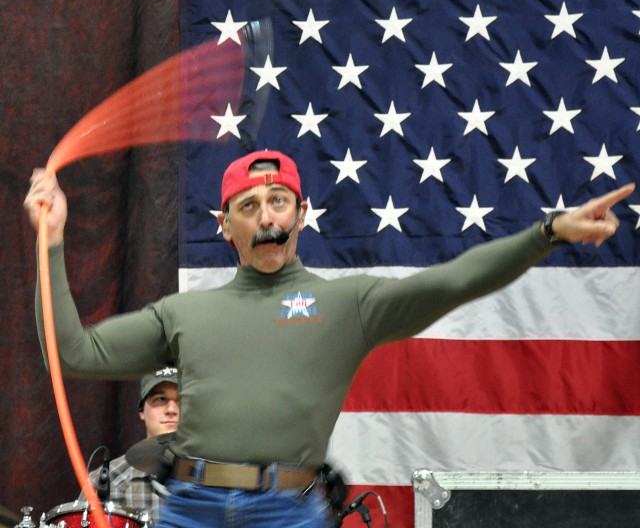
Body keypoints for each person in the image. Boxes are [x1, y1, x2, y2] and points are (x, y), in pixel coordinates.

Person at [24, 149, 635, 528]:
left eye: (279, 201)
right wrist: (51, 246)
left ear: (301, 212)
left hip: (288, 513)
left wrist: (548, 232)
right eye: (249, 205)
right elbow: (71, 353)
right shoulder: (183, 313)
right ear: (224, 224)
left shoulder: (347, 304)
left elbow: (453, 282)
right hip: (189, 509)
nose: (267, 217)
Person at [80, 367, 179, 524]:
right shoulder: (107, 481)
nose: (172, 409)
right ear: (141, 410)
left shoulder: (215, 479)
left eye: (182, 400)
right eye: (160, 399)